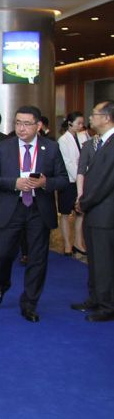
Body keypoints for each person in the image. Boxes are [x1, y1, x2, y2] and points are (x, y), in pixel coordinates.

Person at [0, 106, 68, 322]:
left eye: (26, 124)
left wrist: (45, 183)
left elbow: (62, 179)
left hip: (38, 210)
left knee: (37, 259)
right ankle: (2, 284)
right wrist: (14, 183)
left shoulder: (51, 148)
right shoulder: (4, 147)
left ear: (38, 125)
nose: (21, 128)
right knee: (2, 254)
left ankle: (30, 302)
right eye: (18, 123)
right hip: (11, 208)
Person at [75, 101, 114, 322]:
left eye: (94, 114)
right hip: (96, 212)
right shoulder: (100, 142)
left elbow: (104, 182)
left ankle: (107, 305)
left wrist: (84, 202)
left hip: (105, 214)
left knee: (104, 260)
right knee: (95, 259)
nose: (90, 118)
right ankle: (96, 298)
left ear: (107, 118)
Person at [57, 111, 89, 256]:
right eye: (78, 123)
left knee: (80, 213)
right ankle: (67, 245)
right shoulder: (63, 140)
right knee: (65, 213)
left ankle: (78, 242)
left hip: (81, 180)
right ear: (70, 123)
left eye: (82, 123)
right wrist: (80, 178)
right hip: (69, 181)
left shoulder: (82, 136)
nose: (81, 126)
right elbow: (68, 163)